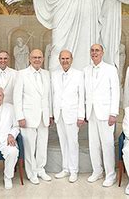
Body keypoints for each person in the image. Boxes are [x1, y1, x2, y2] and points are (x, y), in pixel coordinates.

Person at [13, 49, 52, 184]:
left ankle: (41, 169)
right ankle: (31, 172)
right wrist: (20, 117)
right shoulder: (22, 74)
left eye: (39, 57)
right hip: (28, 117)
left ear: (42, 59)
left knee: (42, 145)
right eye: (34, 57)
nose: (37, 60)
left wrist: (50, 114)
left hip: (43, 116)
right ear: (29, 59)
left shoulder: (46, 74)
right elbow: (17, 97)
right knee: (30, 147)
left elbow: (48, 96)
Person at [83, 44, 120, 187]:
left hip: (106, 113)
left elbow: (115, 92)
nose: (94, 53)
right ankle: (97, 171)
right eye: (92, 50)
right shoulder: (86, 70)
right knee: (93, 144)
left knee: (108, 144)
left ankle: (111, 174)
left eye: (97, 50)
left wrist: (113, 113)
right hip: (91, 113)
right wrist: (85, 112)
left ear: (102, 52)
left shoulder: (110, 69)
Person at [51, 50, 85, 183]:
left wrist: (81, 115)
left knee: (73, 143)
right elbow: (53, 95)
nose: (65, 61)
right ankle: (65, 169)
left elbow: (82, 96)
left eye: (67, 58)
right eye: (62, 58)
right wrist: (53, 114)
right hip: (59, 114)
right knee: (63, 142)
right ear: (59, 60)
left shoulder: (78, 74)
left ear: (71, 59)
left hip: (72, 114)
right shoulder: (54, 74)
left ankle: (74, 170)